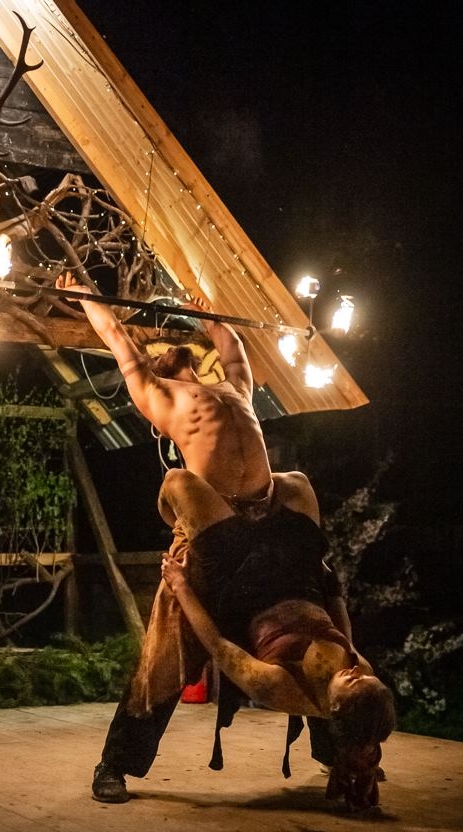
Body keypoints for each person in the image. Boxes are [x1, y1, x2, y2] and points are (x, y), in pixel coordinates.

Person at [55, 273, 279, 802]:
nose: (162, 350)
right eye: (155, 353)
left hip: (264, 534)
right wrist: (85, 294)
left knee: (309, 627)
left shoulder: (234, 389)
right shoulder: (159, 396)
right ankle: (114, 764)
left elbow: (235, 349)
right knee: (162, 660)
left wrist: (208, 315)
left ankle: (346, 750)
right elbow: (117, 337)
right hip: (207, 538)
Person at [159, 471, 396, 811]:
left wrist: (181, 585)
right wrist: (332, 587)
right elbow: (346, 638)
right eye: (367, 677)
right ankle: (335, 756)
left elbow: (219, 647)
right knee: (296, 482)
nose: (358, 672)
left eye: (356, 683)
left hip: (245, 580)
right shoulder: (359, 674)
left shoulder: (279, 686)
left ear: (334, 708)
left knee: (177, 482)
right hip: (299, 576)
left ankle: (116, 762)